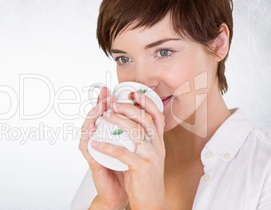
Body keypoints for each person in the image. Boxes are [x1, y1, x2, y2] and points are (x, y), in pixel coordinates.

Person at [71, 0, 271, 209]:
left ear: (218, 44)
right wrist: (108, 203)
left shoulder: (264, 170)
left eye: (164, 52)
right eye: (124, 59)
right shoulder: (117, 157)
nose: (141, 81)